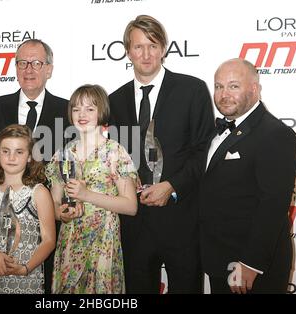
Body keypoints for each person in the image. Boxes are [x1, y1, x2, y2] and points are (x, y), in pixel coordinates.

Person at [108, 15, 215, 293]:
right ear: (128, 51)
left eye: (153, 45)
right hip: (133, 224)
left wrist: (172, 186)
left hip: (181, 219)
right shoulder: (114, 100)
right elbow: (115, 156)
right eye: (139, 46)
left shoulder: (192, 90)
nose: (146, 54)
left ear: (164, 48)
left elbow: (204, 149)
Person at [199, 58, 296, 294]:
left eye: (233, 86)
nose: (224, 94)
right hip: (218, 258)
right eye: (218, 86)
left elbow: (273, 205)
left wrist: (250, 263)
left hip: (250, 268)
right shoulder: (214, 131)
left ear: (254, 88)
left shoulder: (275, 135)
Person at [0, 39, 68, 292]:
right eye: (22, 63)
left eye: (37, 63)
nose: (29, 69)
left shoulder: (67, 110)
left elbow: (69, 169)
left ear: (49, 69)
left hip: (50, 231)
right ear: (15, 68)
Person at [46, 84, 138, 293]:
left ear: (101, 111)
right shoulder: (63, 154)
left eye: (89, 108)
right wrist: (61, 214)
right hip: (70, 241)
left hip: (103, 241)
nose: (82, 114)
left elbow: (131, 206)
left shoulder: (115, 151)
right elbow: (53, 202)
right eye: (76, 108)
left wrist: (87, 195)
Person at [0, 124, 56, 294]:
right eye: (5, 151)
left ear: (30, 156)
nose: (11, 157)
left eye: (19, 152)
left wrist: (25, 268)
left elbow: (49, 240)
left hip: (26, 280)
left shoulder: (38, 192)